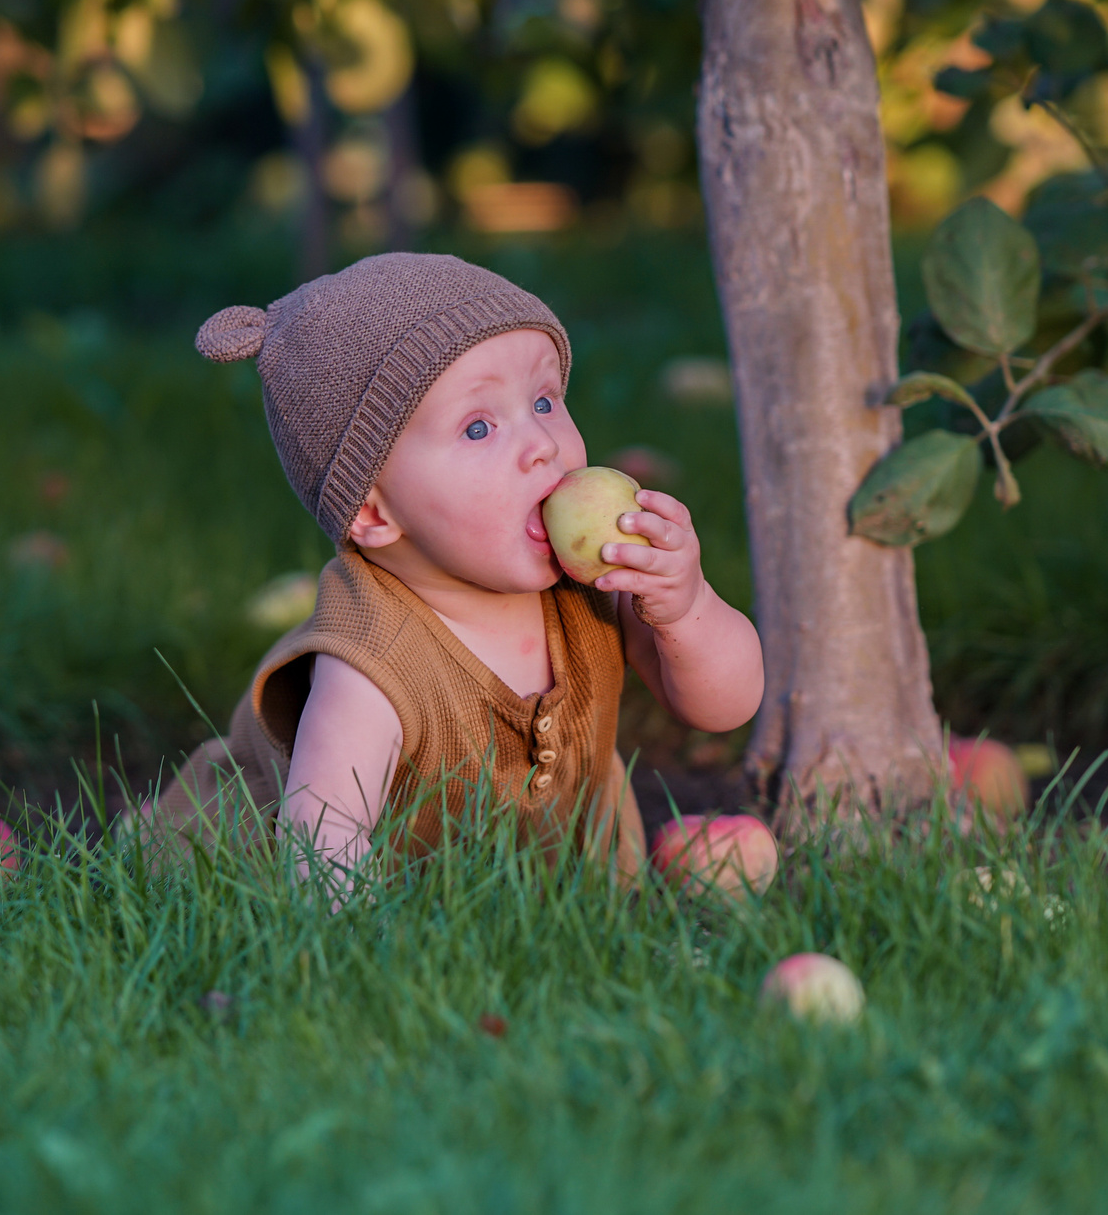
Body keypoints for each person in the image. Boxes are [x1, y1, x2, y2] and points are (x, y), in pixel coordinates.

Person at [121, 253, 763, 882]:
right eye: (479, 428)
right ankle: (141, 836)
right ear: (373, 511)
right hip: (249, 863)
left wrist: (685, 606)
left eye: (543, 402)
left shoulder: (597, 582)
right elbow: (322, 845)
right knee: (191, 858)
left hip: (527, 889)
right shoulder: (370, 660)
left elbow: (723, 707)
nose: (542, 446)